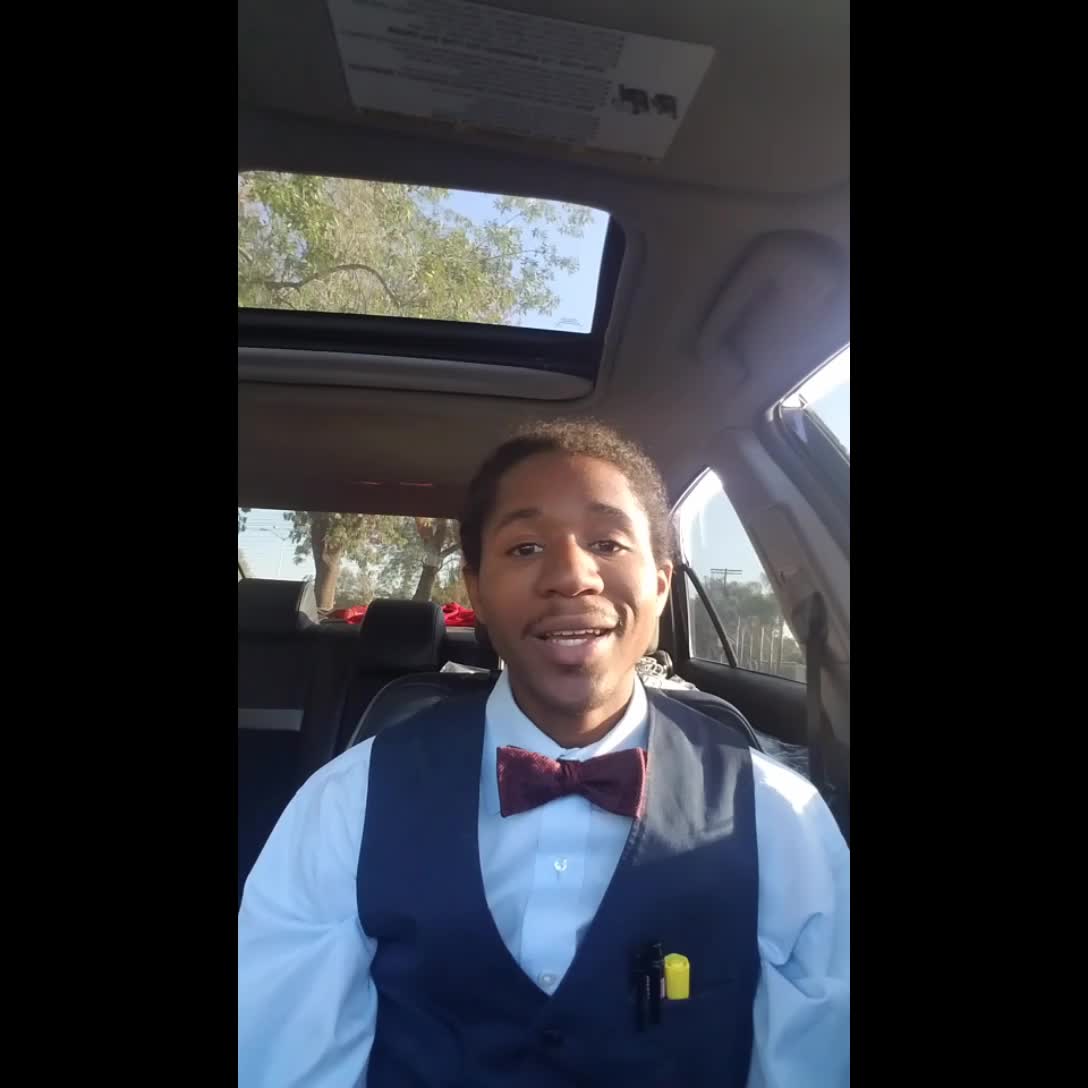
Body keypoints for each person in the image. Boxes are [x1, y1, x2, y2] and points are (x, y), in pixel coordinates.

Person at [238, 420, 849, 1087]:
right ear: (475, 588)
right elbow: (289, 1062)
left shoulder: (779, 816)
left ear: (660, 584)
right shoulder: (348, 801)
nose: (571, 576)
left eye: (607, 543)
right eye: (526, 547)